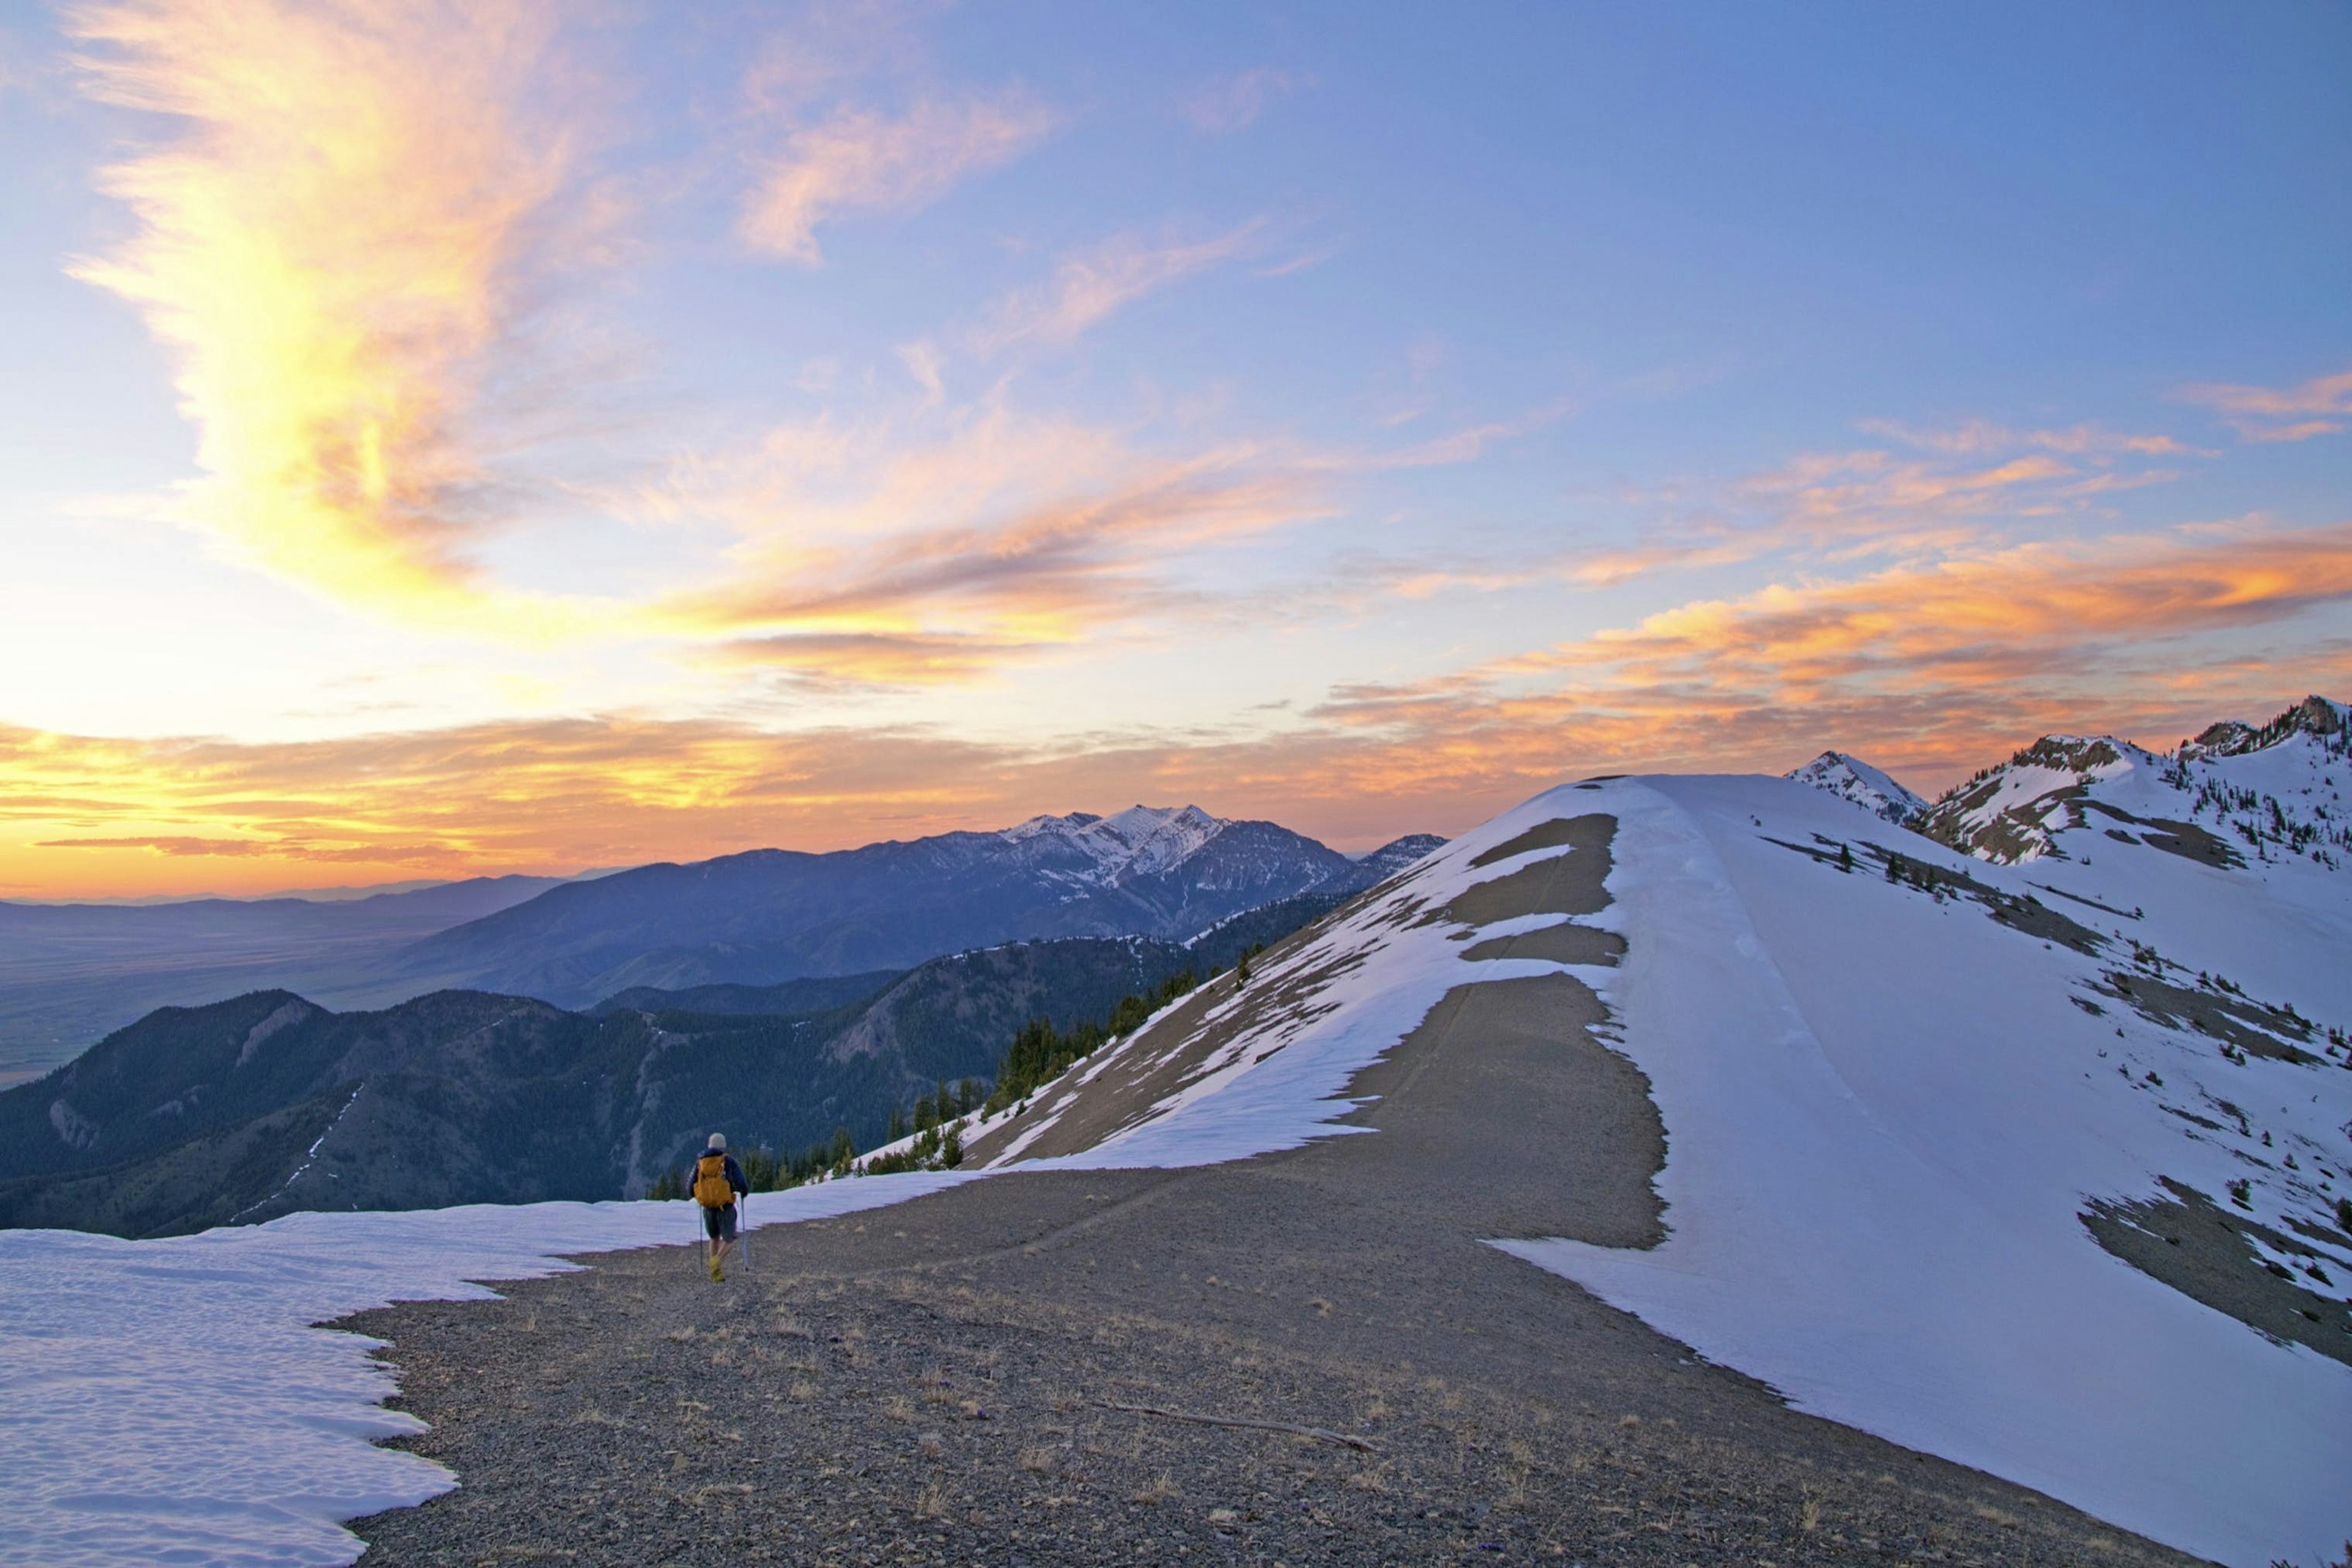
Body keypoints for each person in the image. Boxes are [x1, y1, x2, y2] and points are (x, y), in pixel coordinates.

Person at [692, 1132, 749, 1281]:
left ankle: (715, 1274)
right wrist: (743, 1192)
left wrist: (702, 1196)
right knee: (730, 1239)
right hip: (725, 1207)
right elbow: (741, 1182)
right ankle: (715, 1263)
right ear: (723, 1146)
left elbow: (690, 1186)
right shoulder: (728, 1161)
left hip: (708, 1208)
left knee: (714, 1238)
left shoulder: (701, 1163)